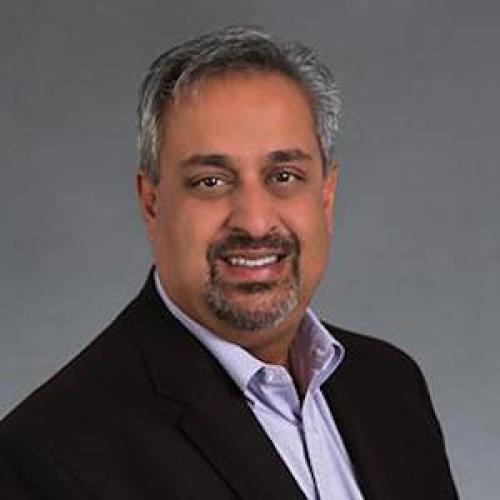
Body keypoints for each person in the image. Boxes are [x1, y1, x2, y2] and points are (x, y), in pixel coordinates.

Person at [0, 26, 458, 499]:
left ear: (326, 196)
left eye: (284, 176)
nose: (255, 222)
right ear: (152, 203)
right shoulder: (49, 457)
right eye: (211, 182)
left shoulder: (389, 386)